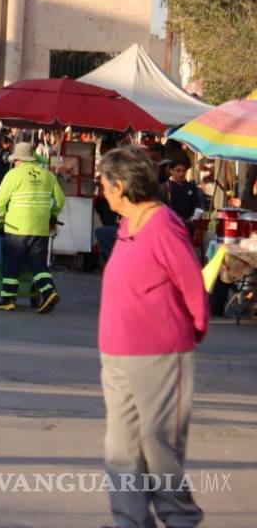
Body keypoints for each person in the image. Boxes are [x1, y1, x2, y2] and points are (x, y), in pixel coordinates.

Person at [97, 145, 209, 528]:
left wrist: (191, 331)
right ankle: (129, 522)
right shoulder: (128, 224)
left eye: (103, 182)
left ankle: (180, 520)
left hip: (160, 354)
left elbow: (192, 283)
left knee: (160, 448)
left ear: (119, 186)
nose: (101, 189)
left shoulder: (162, 225)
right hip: (116, 354)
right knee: (122, 450)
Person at [0, 142, 64, 314]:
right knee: (37, 262)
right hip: (40, 227)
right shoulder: (48, 175)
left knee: (12, 261)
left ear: (18, 159)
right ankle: (48, 292)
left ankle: (8, 299)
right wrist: (52, 214)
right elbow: (60, 200)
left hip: (16, 226)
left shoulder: (13, 175)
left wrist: (2, 214)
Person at [163, 158, 205, 228]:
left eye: (184, 171)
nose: (181, 173)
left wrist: (193, 219)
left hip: (188, 225)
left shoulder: (191, 187)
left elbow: (198, 205)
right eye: (178, 171)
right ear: (171, 171)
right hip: (172, 224)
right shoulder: (166, 187)